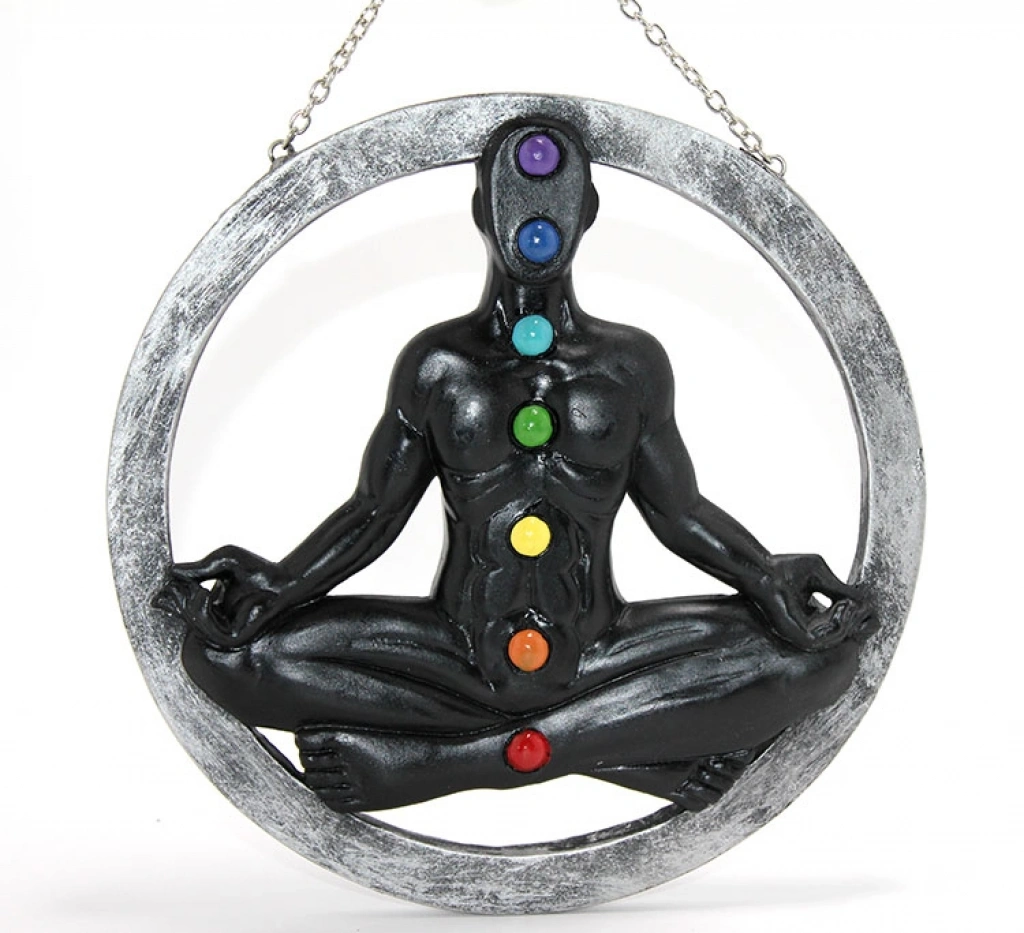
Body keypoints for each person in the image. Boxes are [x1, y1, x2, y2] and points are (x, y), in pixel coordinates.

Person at [156, 117, 874, 814]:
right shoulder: (440, 364)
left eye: (558, 201)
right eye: (517, 200)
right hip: (454, 655)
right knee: (226, 658)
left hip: (600, 654)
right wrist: (278, 587)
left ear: (588, 212)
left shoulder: (630, 365)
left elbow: (679, 512)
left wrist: (765, 573)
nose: (537, 223)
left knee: (824, 658)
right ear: (481, 212)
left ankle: (442, 763)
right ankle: (620, 748)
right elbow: (374, 512)